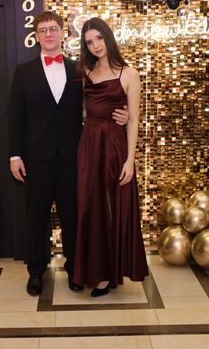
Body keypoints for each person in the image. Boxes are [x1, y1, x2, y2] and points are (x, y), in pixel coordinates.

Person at [9, 11, 129, 296]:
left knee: (73, 216)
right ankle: (36, 271)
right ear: (36, 36)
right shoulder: (23, 72)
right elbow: (15, 117)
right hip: (35, 159)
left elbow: (99, 101)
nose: (48, 34)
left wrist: (121, 116)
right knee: (36, 217)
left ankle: (76, 268)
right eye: (43, 30)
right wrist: (15, 155)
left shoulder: (80, 70)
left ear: (62, 33)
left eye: (53, 28)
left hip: (74, 157)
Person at [73, 17, 149, 297]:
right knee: (89, 207)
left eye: (99, 38)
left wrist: (130, 160)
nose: (95, 45)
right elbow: (82, 111)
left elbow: (134, 120)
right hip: (89, 145)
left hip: (115, 147)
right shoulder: (85, 72)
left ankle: (109, 272)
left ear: (108, 37)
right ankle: (93, 271)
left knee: (112, 208)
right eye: (89, 42)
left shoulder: (129, 74)